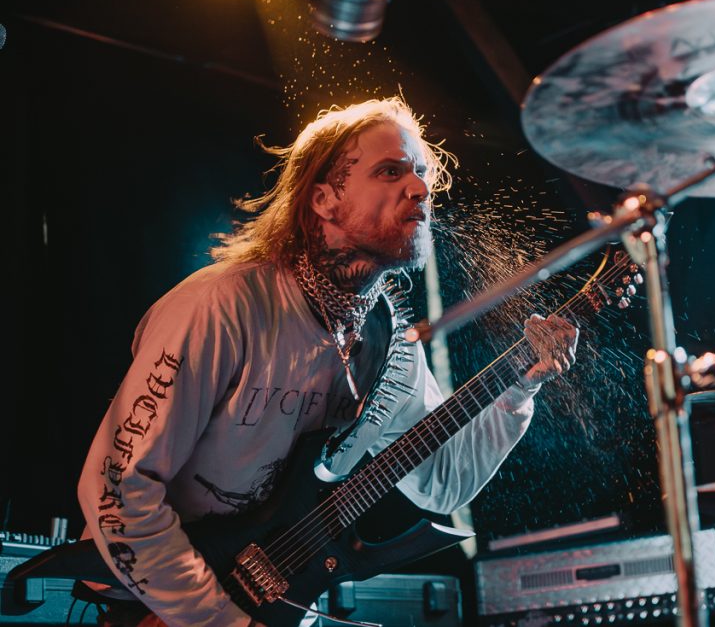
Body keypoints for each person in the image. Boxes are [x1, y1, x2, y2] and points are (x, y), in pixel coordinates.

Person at [77, 98, 579, 626]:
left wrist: (519, 391)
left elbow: (443, 480)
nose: (420, 188)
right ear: (324, 199)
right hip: (155, 605)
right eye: (390, 171)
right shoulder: (222, 308)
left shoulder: (392, 349)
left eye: (421, 172)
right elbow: (117, 487)